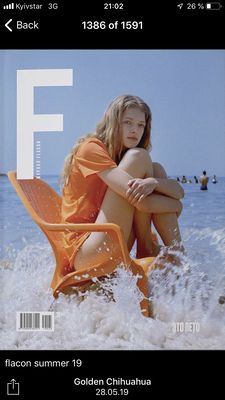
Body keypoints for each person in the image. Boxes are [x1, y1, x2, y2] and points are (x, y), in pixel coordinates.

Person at [59, 95, 184, 315]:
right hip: (87, 252)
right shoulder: (91, 148)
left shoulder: (121, 157)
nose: (135, 130)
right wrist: (174, 206)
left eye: (141, 125)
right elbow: (142, 202)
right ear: (113, 121)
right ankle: (172, 259)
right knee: (140, 157)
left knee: (157, 170)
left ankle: (179, 258)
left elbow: (179, 192)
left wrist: (155, 183)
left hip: (111, 238)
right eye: (128, 122)